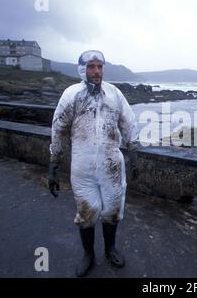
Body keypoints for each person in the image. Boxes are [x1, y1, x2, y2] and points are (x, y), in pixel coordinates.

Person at [48, 50, 138, 277]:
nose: (96, 71)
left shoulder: (114, 94)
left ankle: (110, 248)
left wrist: (133, 151)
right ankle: (88, 254)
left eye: (99, 66)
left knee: (113, 209)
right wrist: (53, 162)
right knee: (87, 211)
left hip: (112, 165)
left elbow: (128, 121)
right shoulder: (72, 95)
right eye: (91, 67)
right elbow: (59, 129)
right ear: (82, 69)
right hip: (82, 165)